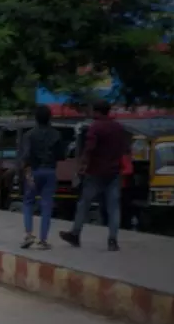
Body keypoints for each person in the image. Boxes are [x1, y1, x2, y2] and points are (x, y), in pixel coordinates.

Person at [60, 101, 132, 251]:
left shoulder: (95, 127)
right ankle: (112, 240)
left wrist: (82, 166)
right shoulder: (118, 128)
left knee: (84, 204)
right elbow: (124, 149)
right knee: (113, 207)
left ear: (96, 111)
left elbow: (89, 149)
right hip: (113, 172)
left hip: (95, 173)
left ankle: (75, 234)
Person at [19, 105, 63, 250]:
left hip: (33, 171)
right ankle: (43, 240)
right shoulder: (56, 134)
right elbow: (61, 155)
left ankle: (28, 234)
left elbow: (26, 155)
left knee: (28, 202)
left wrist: (25, 170)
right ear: (49, 117)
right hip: (50, 171)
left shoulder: (29, 135)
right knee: (46, 205)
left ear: (36, 118)